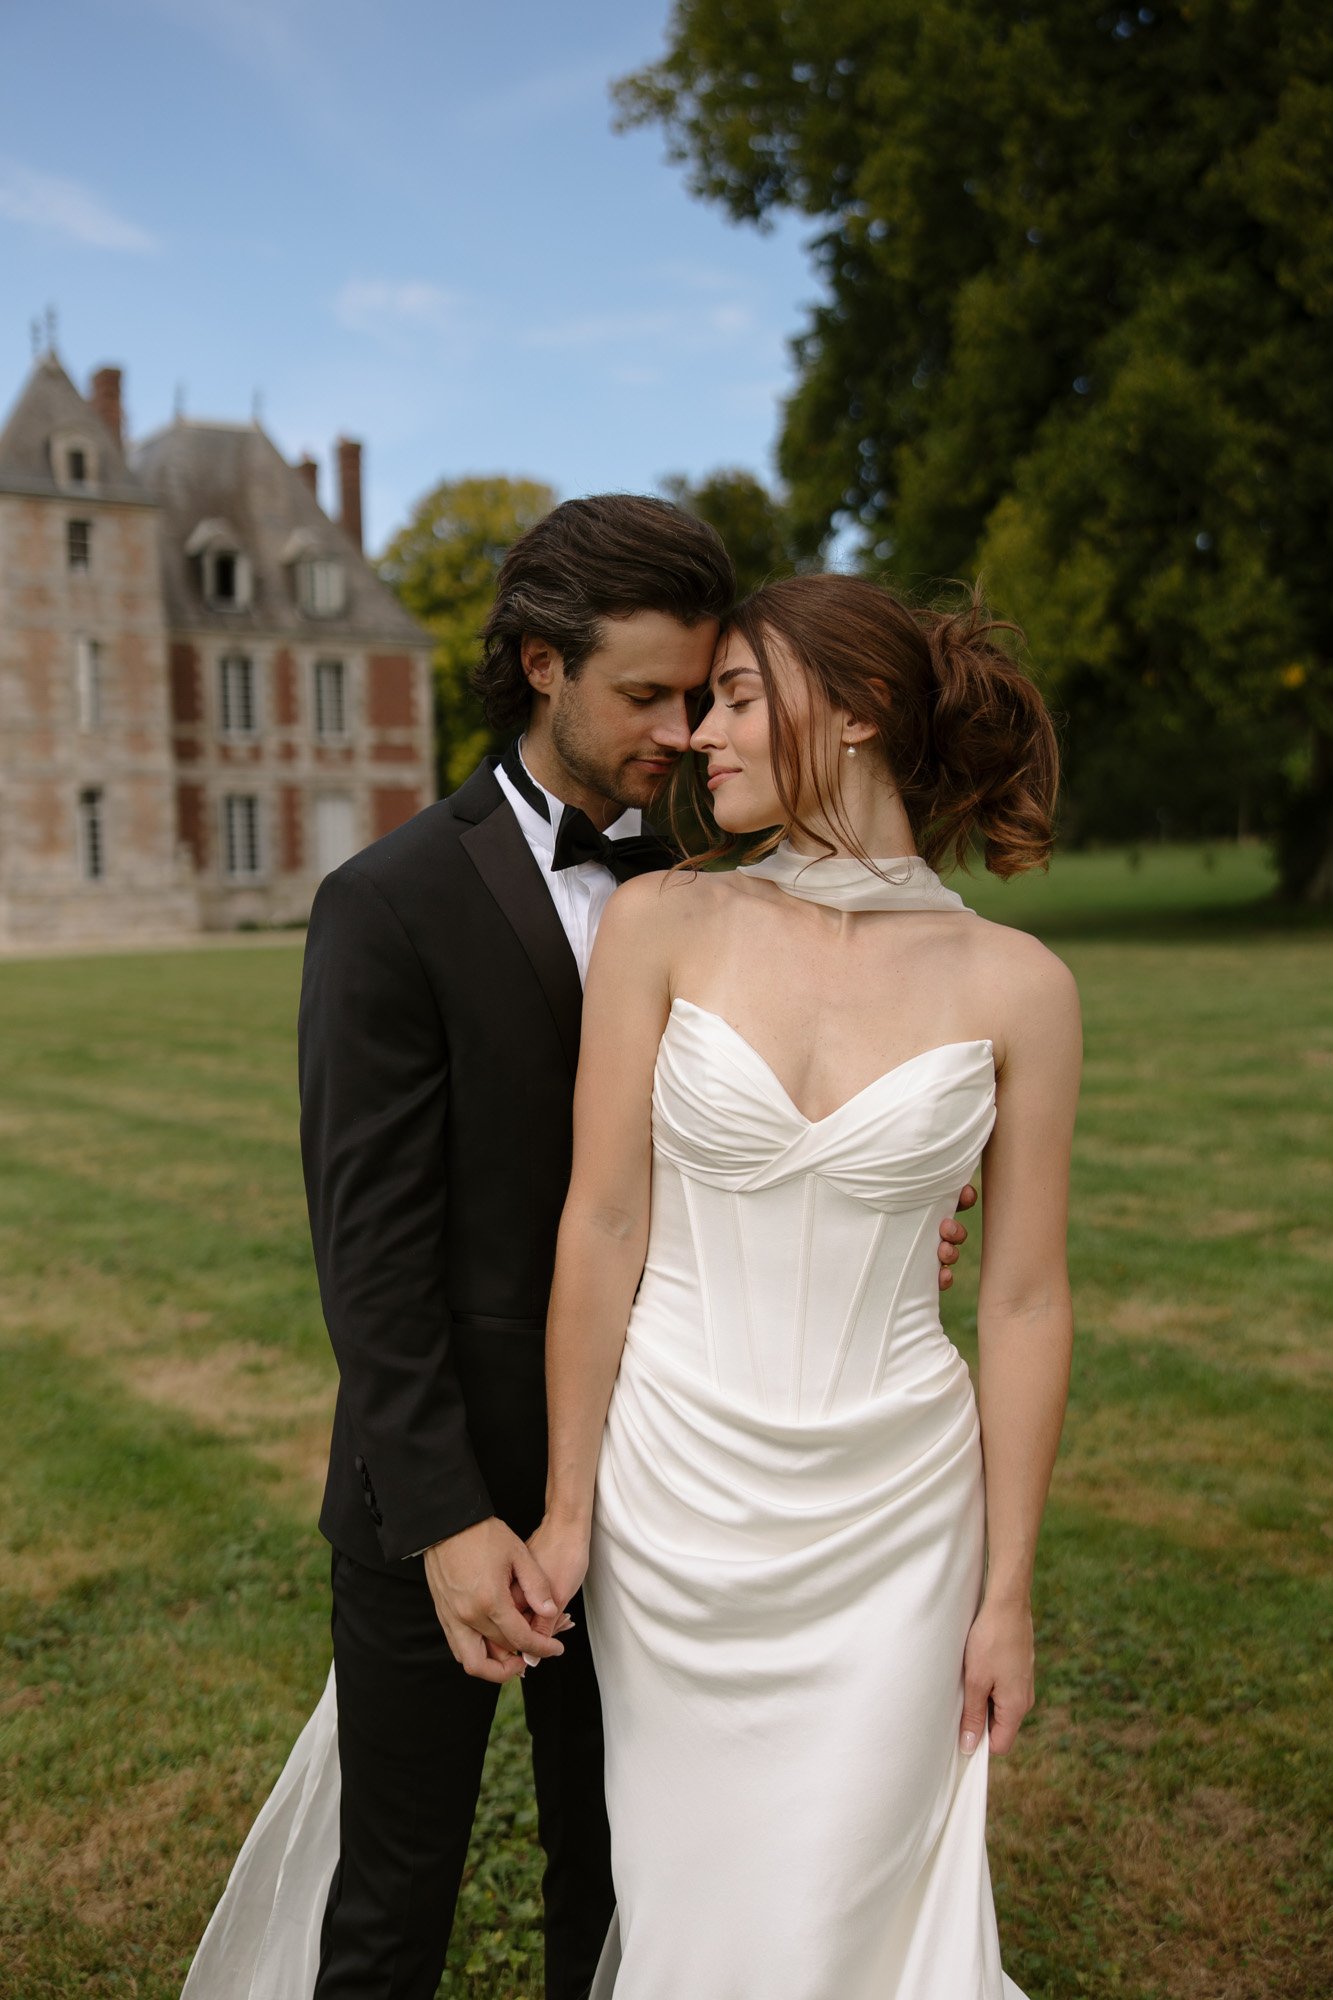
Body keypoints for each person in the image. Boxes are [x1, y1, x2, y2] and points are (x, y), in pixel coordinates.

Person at [179, 501, 973, 2000]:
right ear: (540, 666)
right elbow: (370, 1254)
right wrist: (447, 1519)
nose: (683, 732)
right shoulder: (386, 904)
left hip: (665, 1478)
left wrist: (876, 1205)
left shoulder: (725, 889)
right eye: (646, 697)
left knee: (617, 1879)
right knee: (395, 1887)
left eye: (703, 696)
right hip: (440, 1482)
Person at [528, 572, 1080, 1998]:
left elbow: (1021, 1301)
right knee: (697, 1901)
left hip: (898, 1506)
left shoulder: (1018, 984)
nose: (697, 738)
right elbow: (598, 1225)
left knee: (849, 1900)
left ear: (857, 716)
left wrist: (1005, 1593)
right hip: (677, 1494)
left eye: (733, 699)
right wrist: (570, 1508)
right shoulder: (662, 925)